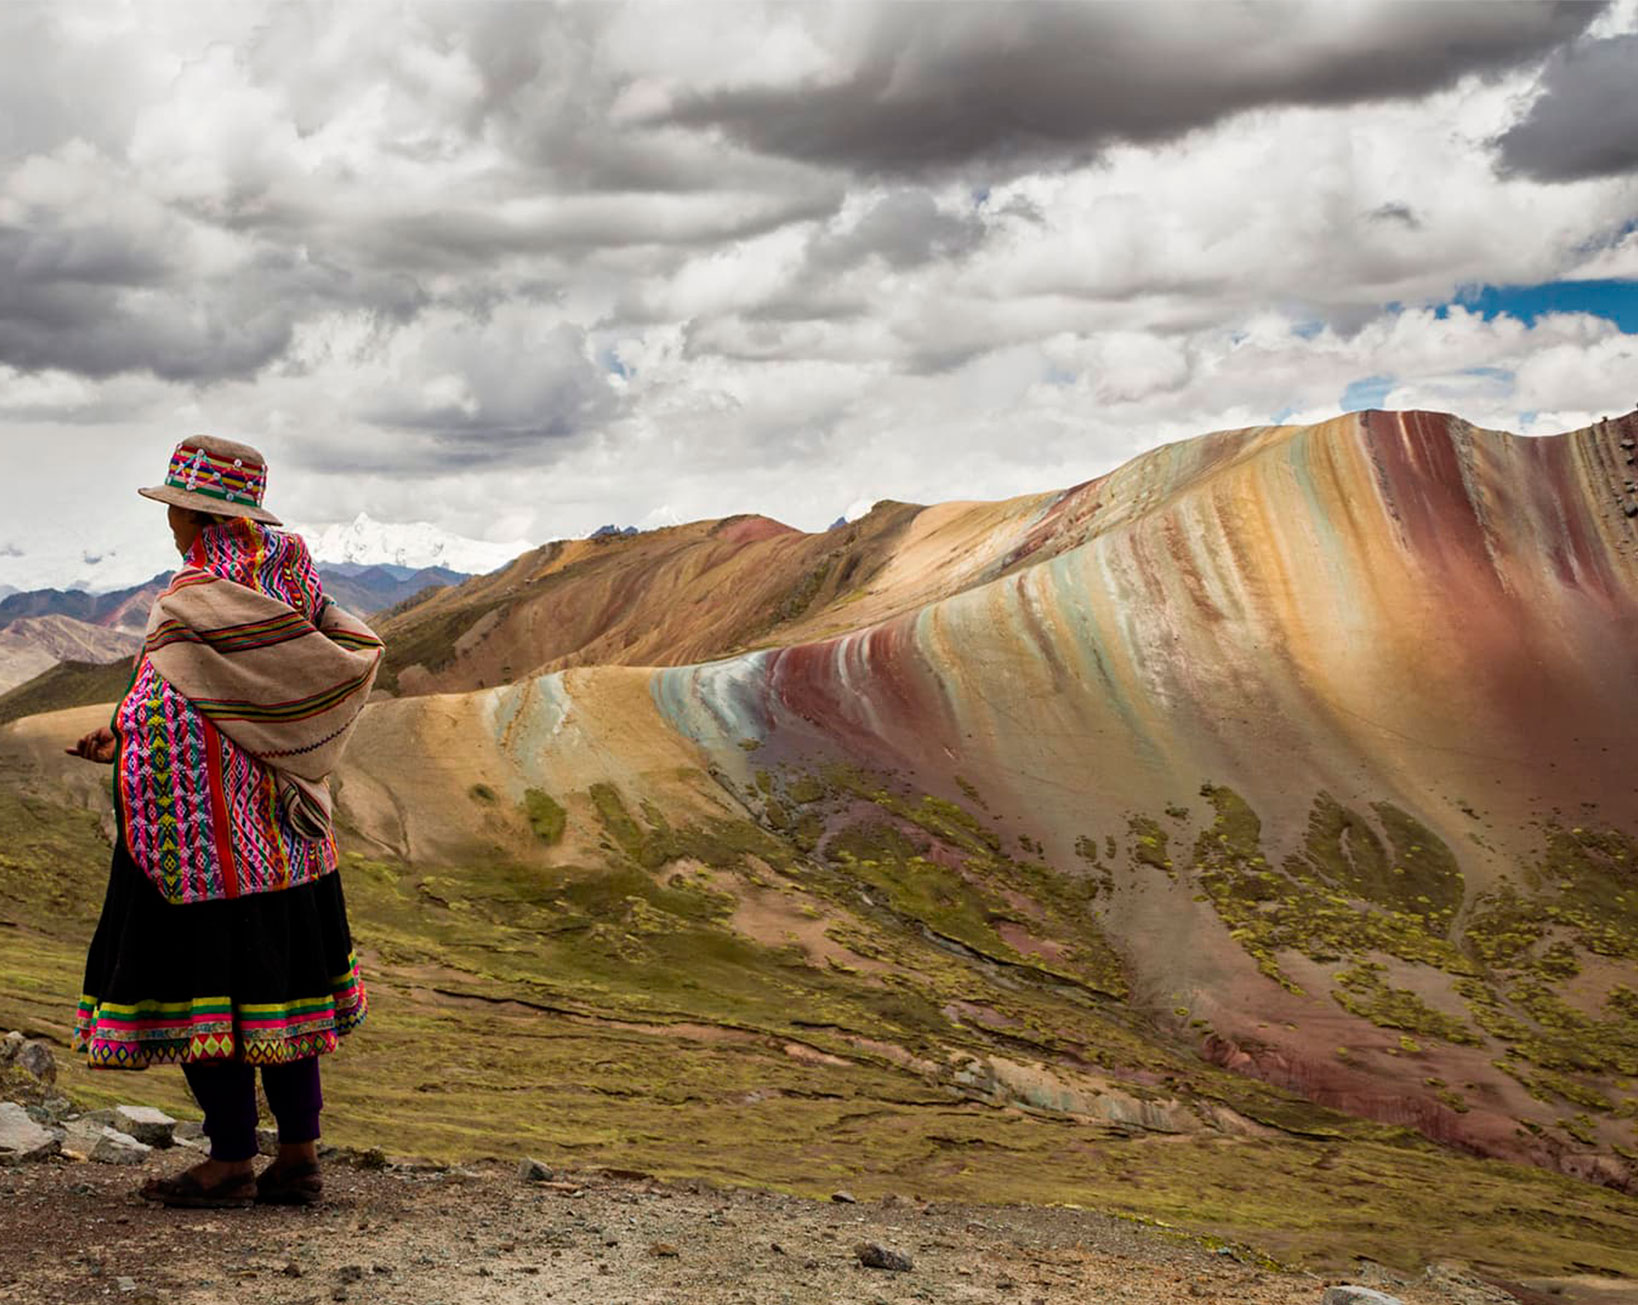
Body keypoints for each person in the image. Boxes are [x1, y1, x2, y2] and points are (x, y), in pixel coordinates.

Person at [67, 435, 383, 1209]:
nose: (170, 522)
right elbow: (292, 688)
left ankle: (231, 1159)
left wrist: (125, 739)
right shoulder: (294, 583)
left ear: (190, 511)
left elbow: (174, 721)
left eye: (174, 507)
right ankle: (300, 1155)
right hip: (291, 841)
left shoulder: (193, 601)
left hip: (201, 855)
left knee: (208, 999)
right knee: (287, 1000)